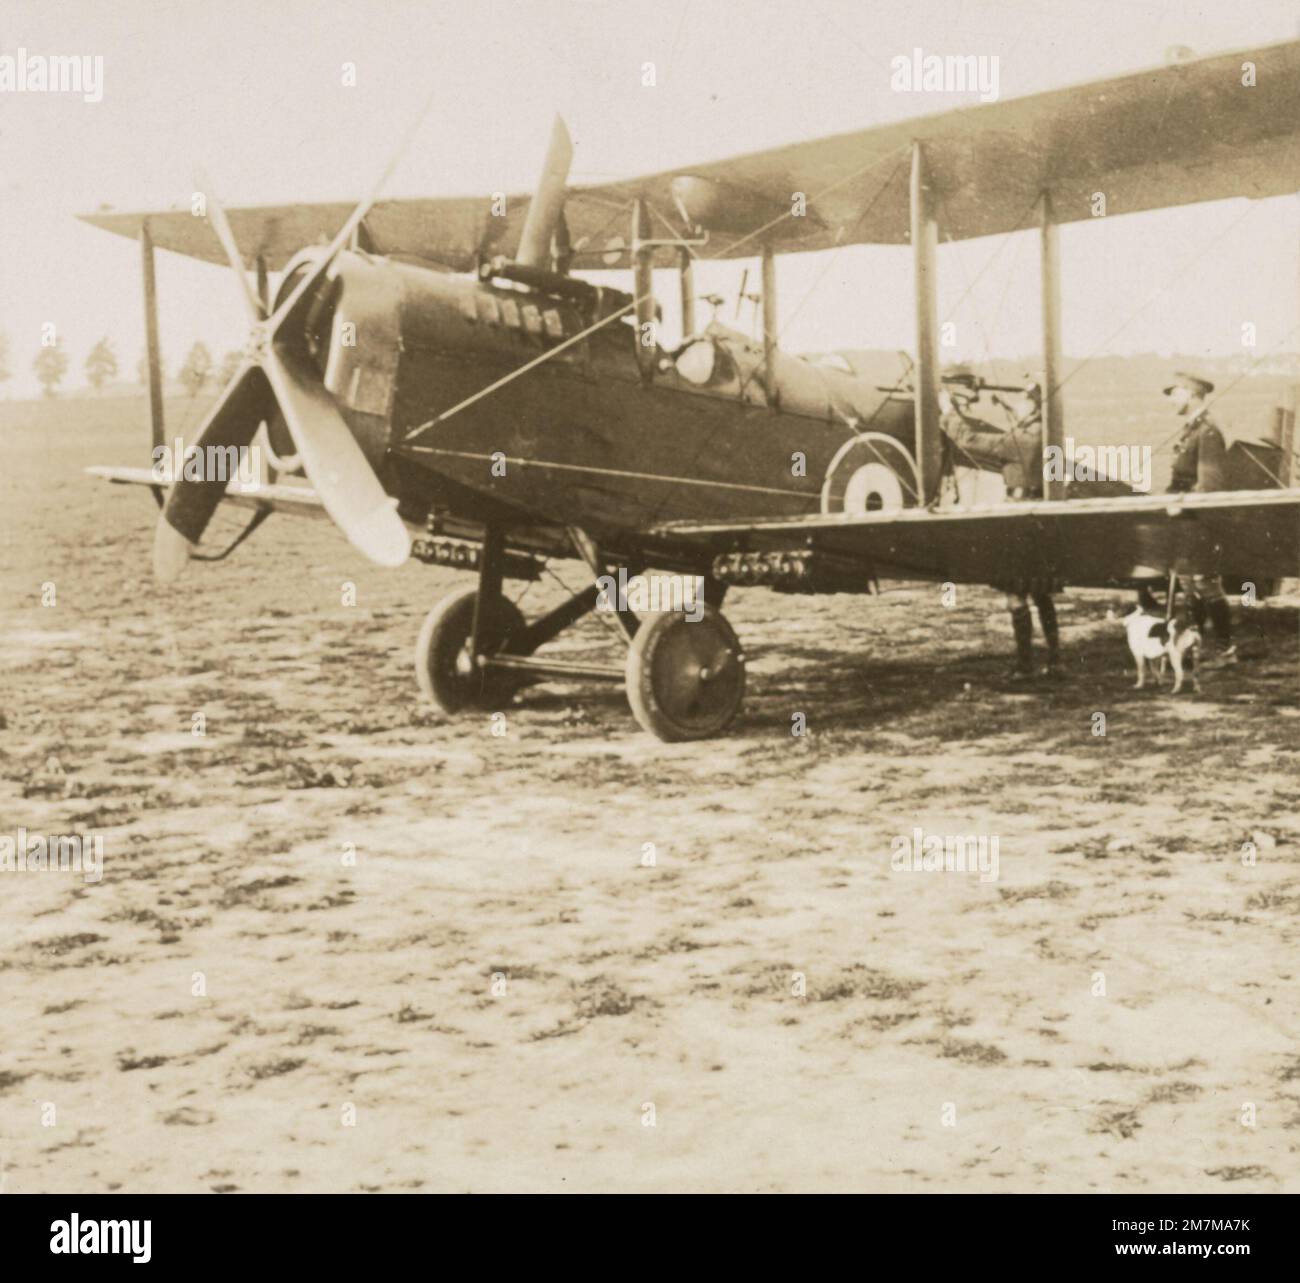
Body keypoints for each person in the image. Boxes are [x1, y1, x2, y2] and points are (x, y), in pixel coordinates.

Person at [940, 371, 1060, 679]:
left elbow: (970, 440)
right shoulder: (1041, 435)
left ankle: (1024, 666)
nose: (1019, 406)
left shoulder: (1023, 439)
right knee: (1041, 595)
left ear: (1035, 408)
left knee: (1015, 596)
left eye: (1024, 401)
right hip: (1037, 520)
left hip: (1018, 522)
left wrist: (949, 412)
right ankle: (1054, 661)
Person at [1163, 371, 1236, 665]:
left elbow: (1210, 484)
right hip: (1185, 518)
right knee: (1189, 583)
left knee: (1205, 582)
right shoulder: (1191, 429)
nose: (1171, 399)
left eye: (1176, 392)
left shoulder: (1207, 430)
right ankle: (1196, 649)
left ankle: (1226, 650)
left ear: (1192, 393)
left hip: (1200, 518)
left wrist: (1181, 504)